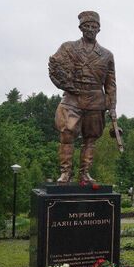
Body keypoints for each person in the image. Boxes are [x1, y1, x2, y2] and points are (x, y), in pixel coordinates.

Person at [48, 11, 117, 183]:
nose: (91, 29)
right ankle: (65, 173)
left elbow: (110, 84)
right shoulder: (68, 48)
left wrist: (112, 106)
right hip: (72, 98)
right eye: (87, 26)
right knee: (67, 134)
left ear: (99, 29)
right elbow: (55, 68)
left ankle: (84, 173)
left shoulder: (107, 55)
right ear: (81, 28)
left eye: (94, 27)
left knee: (90, 138)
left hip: (95, 100)